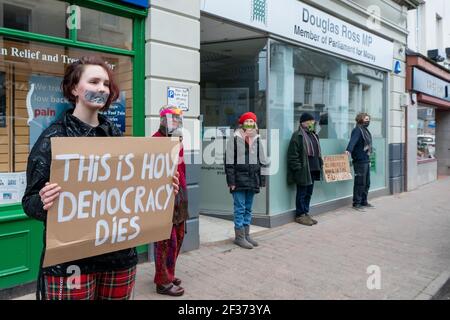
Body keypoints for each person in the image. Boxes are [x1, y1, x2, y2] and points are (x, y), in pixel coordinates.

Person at [22, 56, 179, 300]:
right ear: (74, 88)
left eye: (106, 83)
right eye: (94, 81)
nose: (101, 88)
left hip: (118, 258)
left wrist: (162, 186)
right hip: (70, 261)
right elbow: (30, 202)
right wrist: (43, 201)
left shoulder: (116, 137)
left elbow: (133, 190)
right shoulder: (53, 138)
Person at [152, 106, 188, 297]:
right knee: (166, 241)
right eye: (171, 119)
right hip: (163, 198)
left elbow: (182, 170)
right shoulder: (156, 140)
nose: (175, 122)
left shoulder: (177, 140)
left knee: (179, 237)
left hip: (179, 196)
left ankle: (168, 273)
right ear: (163, 120)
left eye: (178, 119)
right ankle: (163, 282)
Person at [225, 112, 266, 249]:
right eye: (247, 121)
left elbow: (262, 161)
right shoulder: (234, 139)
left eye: (252, 121)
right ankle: (239, 237)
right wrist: (231, 182)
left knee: (248, 209)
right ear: (242, 124)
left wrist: (262, 180)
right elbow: (229, 163)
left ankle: (247, 235)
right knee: (240, 209)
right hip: (238, 180)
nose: (250, 124)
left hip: (252, 180)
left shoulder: (257, 139)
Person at [287, 113, 323, 226]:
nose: (312, 123)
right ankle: (300, 215)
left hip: (313, 168)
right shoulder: (297, 135)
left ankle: (306, 213)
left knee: (309, 193)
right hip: (303, 170)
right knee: (302, 193)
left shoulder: (314, 135)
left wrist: (320, 164)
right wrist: (298, 169)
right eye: (310, 121)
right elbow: (293, 155)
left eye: (313, 121)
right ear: (303, 123)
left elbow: (318, 151)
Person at [346, 112, 374, 211]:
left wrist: (369, 159)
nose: (368, 121)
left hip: (366, 159)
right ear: (360, 119)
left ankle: (364, 201)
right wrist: (348, 150)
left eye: (368, 119)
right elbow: (352, 141)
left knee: (367, 183)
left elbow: (368, 146)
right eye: (366, 119)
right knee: (360, 182)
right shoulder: (357, 130)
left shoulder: (365, 130)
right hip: (359, 161)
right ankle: (356, 203)